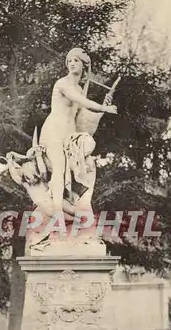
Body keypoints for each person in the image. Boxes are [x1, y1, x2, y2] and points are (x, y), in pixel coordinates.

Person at [39, 47, 117, 214]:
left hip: (70, 135)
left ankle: (74, 207)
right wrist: (105, 107)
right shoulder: (62, 84)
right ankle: (58, 213)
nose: (72, 63)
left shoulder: (80, 89)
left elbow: (84, 116)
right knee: (59, 166)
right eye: (69, 61)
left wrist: (103, 108)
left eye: (76, 61)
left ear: (84, 65)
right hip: (53, 131)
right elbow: (83, 101)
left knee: (86, 162)